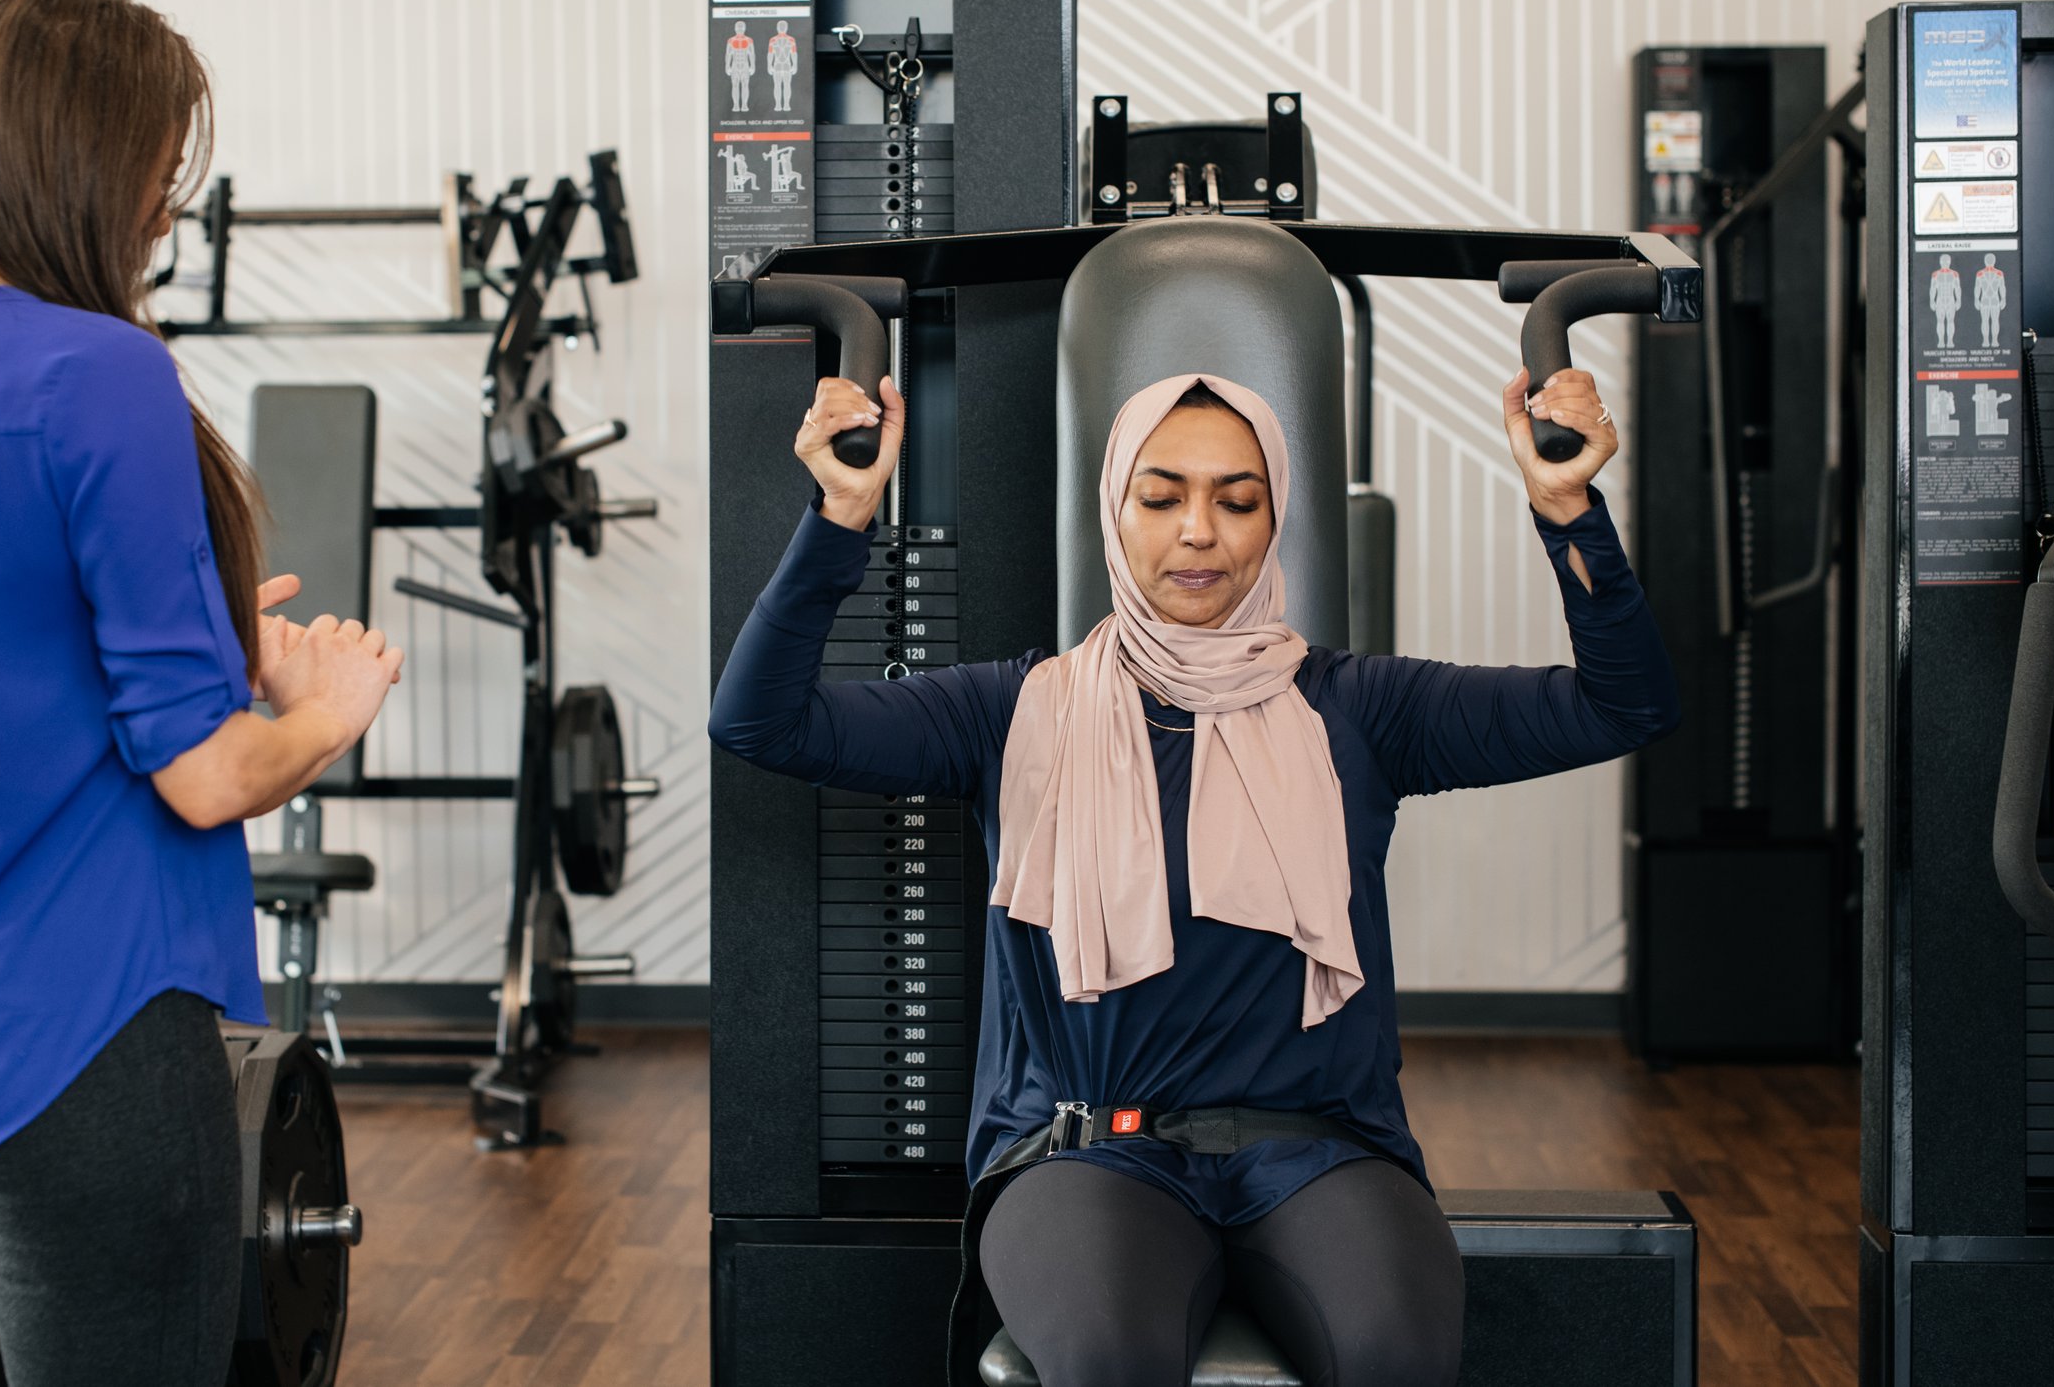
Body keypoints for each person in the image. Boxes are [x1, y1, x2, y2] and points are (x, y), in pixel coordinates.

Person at [710, 364, 1679, 1387]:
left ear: (1275, 519)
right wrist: (841, 516)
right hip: (1088, 1150)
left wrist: (1567, 510)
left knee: (1394, 1352)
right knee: (1109, 1360)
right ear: (1114, 511)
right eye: (1161, 496)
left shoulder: (1357, 707)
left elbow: (1624, 706)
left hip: (1319, 1151)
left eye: (1237, 500)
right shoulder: (1011, 710)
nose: (1199, 531)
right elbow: (759, 719)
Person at [0, 0, 403, 1387]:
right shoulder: (104, 369)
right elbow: (205, 776)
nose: (162, 214)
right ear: (78, 159)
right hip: (90, 1037)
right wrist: (324, 708)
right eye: (158, 173)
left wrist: (192, 636)